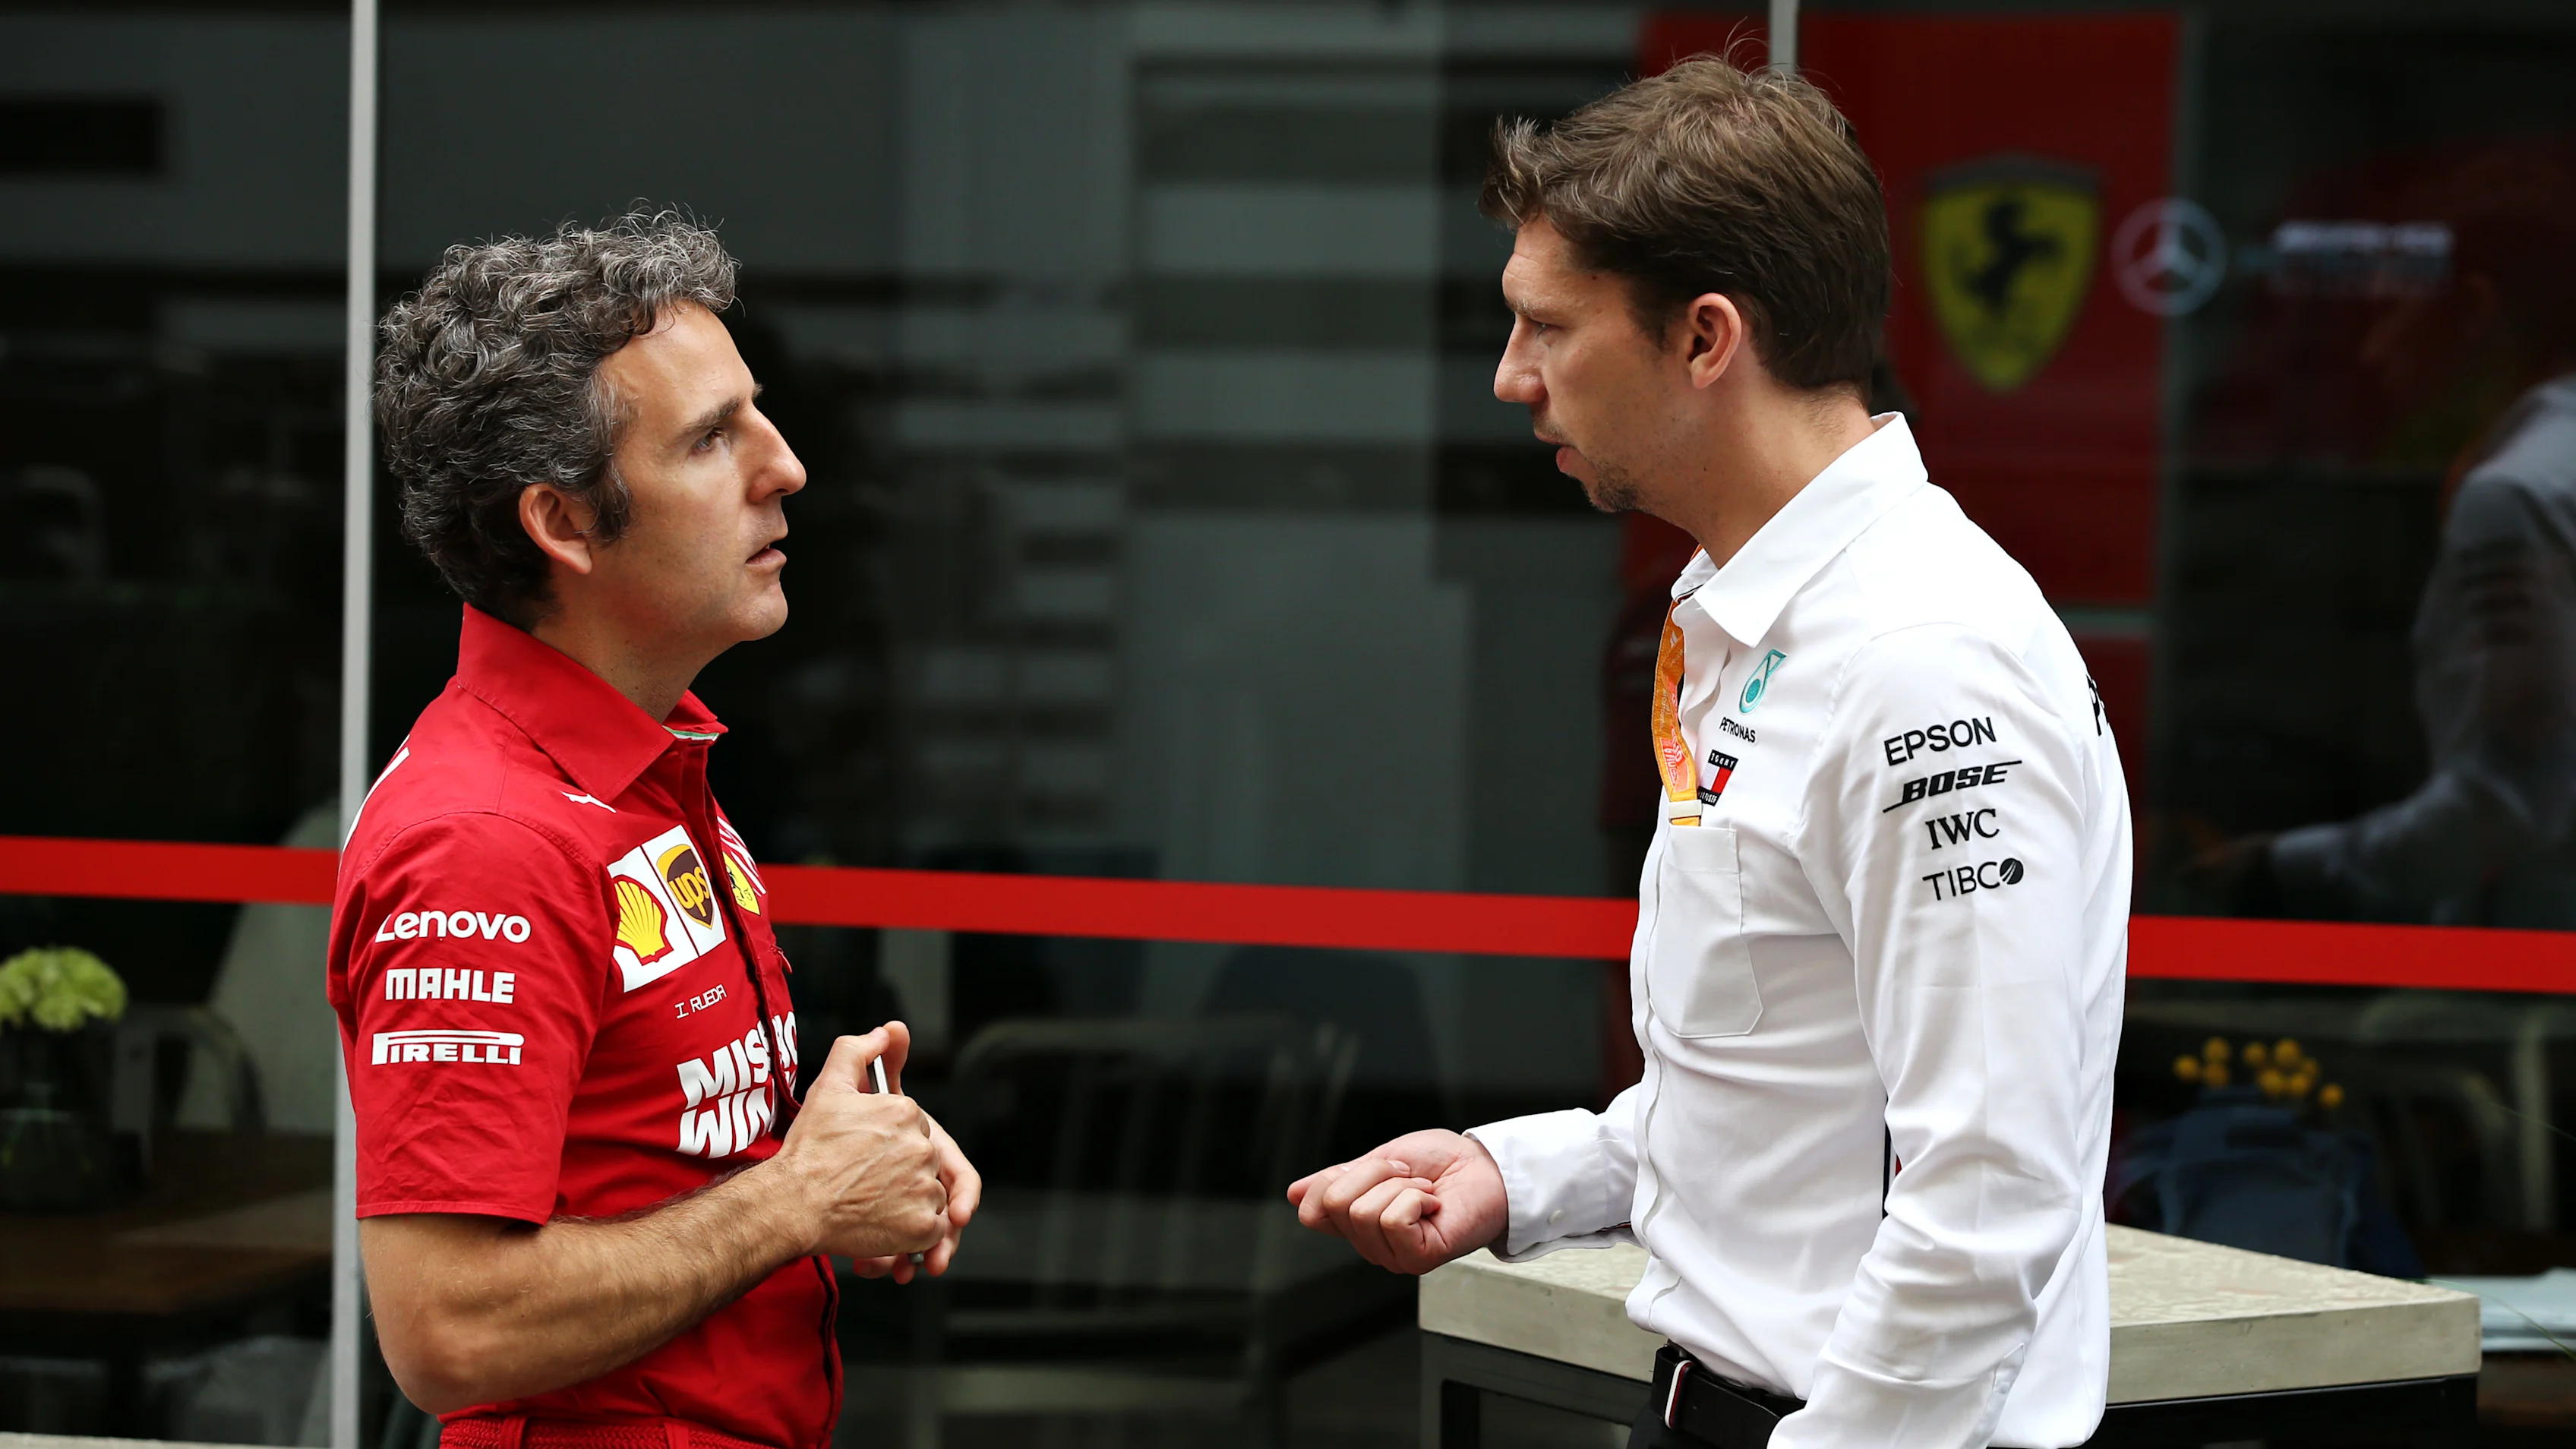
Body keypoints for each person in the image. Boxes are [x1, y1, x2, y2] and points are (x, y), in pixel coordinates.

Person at [1289, 59, 2131, 1449]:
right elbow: (1792, 1092)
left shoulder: (1920, 652)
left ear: (1704, 339)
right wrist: (1524, 1171)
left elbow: (1985, 1198)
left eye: (1546, 328)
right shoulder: (1759, 611)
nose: (1512, 379)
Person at [330, 212, 980, 1449]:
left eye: (758, 411)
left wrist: (853, 1159)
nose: (784, 466)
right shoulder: (486, 836)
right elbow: (446, 1330)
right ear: (564, 525)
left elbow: (639, 1154)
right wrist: (795, 1198)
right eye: (709, 439)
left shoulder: (642, 762)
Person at [2192, 147, 2576, 927]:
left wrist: (2276, 870)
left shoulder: (2509, 495)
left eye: (2393, 310)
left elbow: (2511, 799)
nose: (2372, 350)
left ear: (2472, 314)